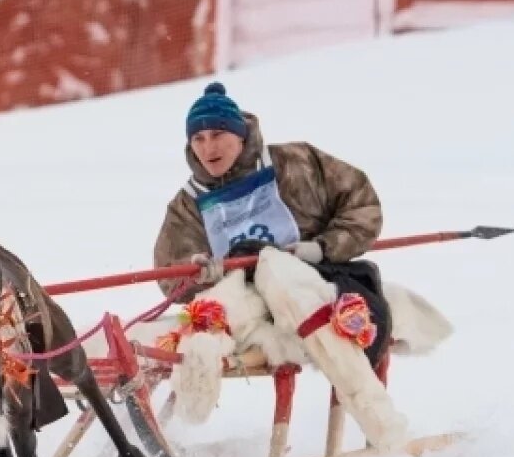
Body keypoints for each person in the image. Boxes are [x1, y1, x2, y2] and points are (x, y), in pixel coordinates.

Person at [153, 82, 383, 299]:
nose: (208, 148)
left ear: (240, 135)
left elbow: (362, 206)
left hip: (318, 287)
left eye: (218, 134)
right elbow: (169, 274)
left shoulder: (296, 164)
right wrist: (198, 275)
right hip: (243, 308)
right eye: (198, 139)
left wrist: (323, 248)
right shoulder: (188, 204)